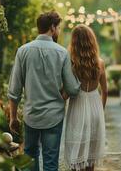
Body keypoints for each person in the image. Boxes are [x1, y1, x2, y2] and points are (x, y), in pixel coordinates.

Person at [7, 11, 81, 171]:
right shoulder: (62, 53)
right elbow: (73, 89)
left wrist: (13, 117)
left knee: (30, 158)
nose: (59, 31)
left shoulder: (23, 51)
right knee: (50, 161)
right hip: (54, 116)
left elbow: (14, 89)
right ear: (52, 27)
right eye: (59, 27)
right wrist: (64, 94)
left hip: (31, 115)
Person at [64, 24, 107, 171]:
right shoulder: (100, 63)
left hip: (77, 106)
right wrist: (101, 111)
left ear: (74, 42)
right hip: (95, 107)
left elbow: (66, 90)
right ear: (92, 41)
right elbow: (105, 91)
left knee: (77, 147)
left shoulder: (71, 64)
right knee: (91, 155)